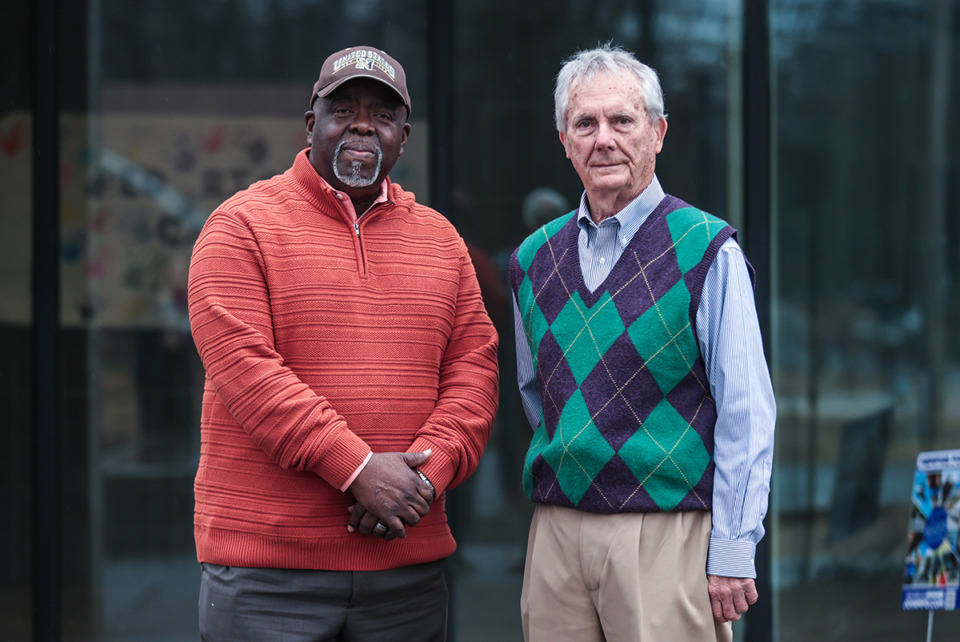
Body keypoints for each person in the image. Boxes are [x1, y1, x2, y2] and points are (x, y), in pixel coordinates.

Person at [188, 45, 499, 641]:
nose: (362, 124)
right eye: (344, 109)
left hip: (406, 573)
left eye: (382, 114)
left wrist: (420, 480)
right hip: (268, 575)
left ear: (404, 137)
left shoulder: (442, 241)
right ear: (312, 125)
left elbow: (475, 373)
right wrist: (357, 469)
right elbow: (248, 375)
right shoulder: (240, 225)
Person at [509, 44, 775, 641]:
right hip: (556, 531)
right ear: (564, 140)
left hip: (665, 529)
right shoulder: (532, 260)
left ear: (657, 133)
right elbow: (537, 396)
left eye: (622, 121)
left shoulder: (707, 250)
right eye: (585, 123)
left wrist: (733, 545)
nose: (604, 138)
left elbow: (746, 411)